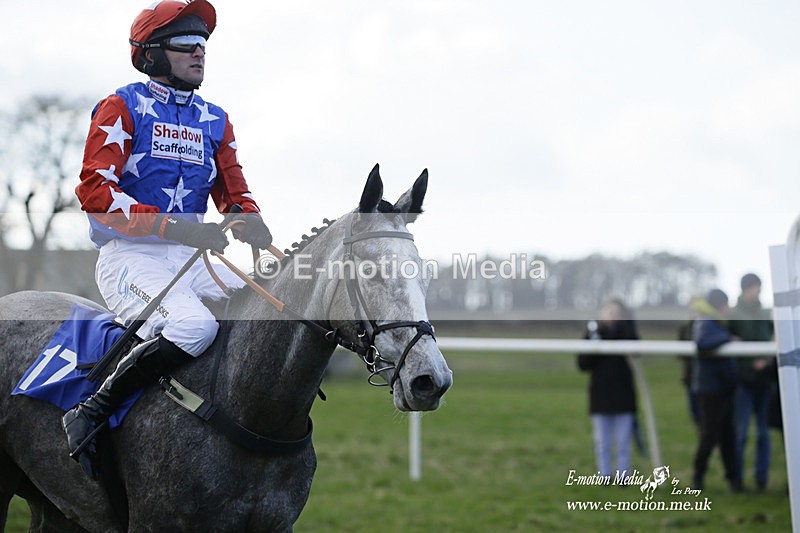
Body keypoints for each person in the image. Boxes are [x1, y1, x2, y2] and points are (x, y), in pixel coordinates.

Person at [62, 0, 272, 477]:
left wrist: (249, 218)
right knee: (195, 328)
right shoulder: (121, 107)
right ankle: (93, 408)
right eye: (186, 45)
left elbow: (233, 192)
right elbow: (96, 193)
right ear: (152, 54)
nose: (200, 54)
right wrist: (171, 226)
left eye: (203, 45)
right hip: (131, 257)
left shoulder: (216, 120)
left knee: (264, 309)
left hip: (194, 257)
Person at [578, 297, 640, 478]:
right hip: (600, 395)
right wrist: (593, 338)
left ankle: (624, 476)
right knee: (602, 442)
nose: (612, 315)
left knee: (623, 441)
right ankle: (604, 475)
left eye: (616, 312)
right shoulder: (594, 332)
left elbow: (636, 348)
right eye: (608, 311)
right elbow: (583, 364)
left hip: (623, 394)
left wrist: (624, 326)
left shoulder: (626, 331)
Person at [728, 273, 776, 491]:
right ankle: (736, 479)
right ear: (746, 289)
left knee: (764, 434)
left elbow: (771, 338)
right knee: (742, 432)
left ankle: (761, 478)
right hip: (744, 382)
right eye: (756, 287)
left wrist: (766, 361)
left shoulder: (765, 313)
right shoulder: (733, 314)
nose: (759, 291)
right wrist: (749, 365)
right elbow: (730, 346)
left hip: (764, 382)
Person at [691, 288, 741, 492]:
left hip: (722, 389)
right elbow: (702, 344)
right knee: (710, 437)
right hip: (711, 391)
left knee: (728, 437)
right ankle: (698, 479)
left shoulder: (713, 321)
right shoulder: (705, 321)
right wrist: (728, 339)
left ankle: (734, 482)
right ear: (719, 305)